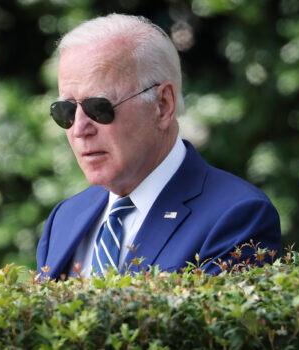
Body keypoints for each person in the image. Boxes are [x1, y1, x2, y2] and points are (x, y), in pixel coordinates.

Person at [36, 14, 281, 279]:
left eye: (99, 107)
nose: (79, 129)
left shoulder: (237, 216)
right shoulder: (65, 217)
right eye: (66, 110)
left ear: (162, 105)